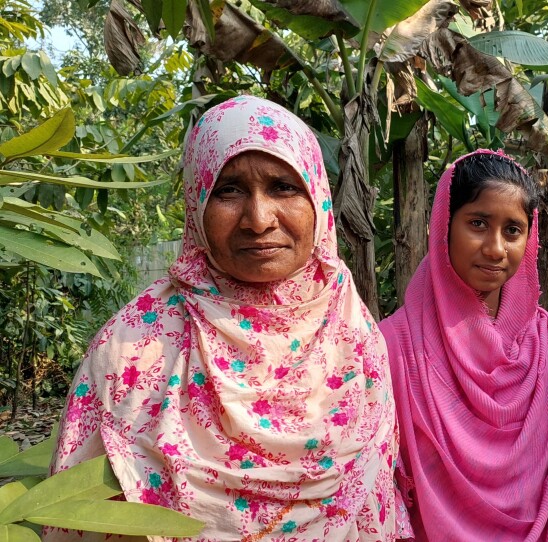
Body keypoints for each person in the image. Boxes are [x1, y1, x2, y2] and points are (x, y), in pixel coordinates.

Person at [48, 96, 397, 541]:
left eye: (283, 187)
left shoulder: (353, 333)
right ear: (197, 205)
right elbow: (79, 518)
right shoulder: (133, 346)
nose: (258, 219)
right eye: (228, 190)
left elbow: (373, 502)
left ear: (318, 198)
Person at [379, 150, 548, 541]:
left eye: (513, 230)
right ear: (444, 226)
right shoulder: (394, 345)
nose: (496, 248)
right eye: (479, 223)